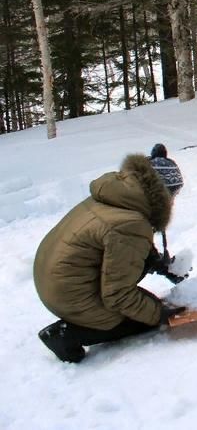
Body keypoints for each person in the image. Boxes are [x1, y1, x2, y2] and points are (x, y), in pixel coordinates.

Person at [33, 144, 187, 363]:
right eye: (175, 193)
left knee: (141, 305)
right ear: (162, 193)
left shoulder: (116, 196)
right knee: (141, 318)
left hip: (51, 280)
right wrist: (159, 314)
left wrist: (155, 262)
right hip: (69, 295)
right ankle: (66, 335)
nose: (174, 201)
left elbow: (119, 246)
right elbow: (118, 295)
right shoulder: (131, 223)